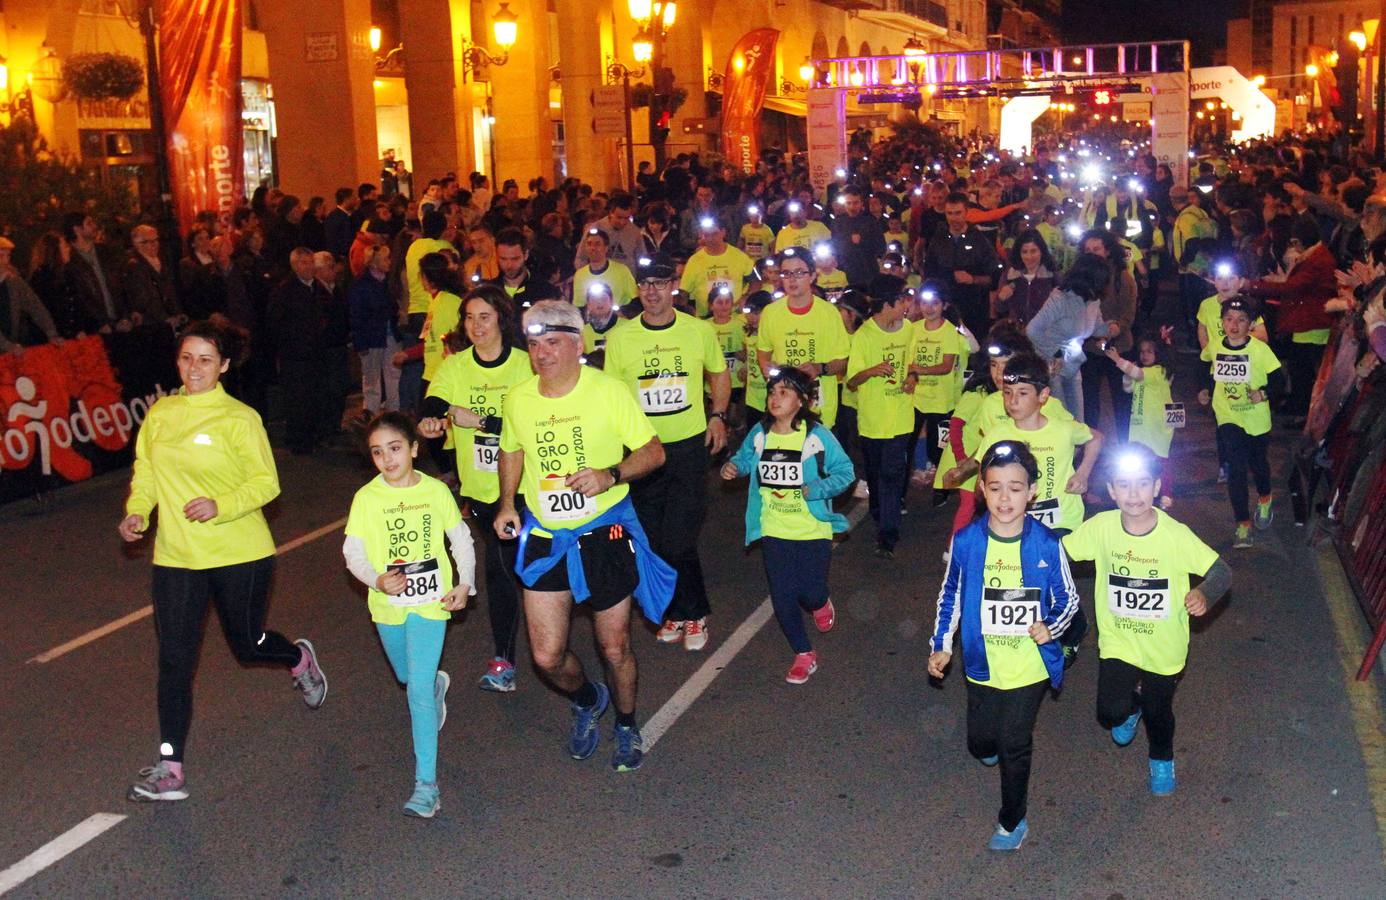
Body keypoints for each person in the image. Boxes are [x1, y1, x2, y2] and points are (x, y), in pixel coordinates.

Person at [119, 320, 327, 802]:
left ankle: (297, 657)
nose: (194, 368)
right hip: (176, 558)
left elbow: (265, 483)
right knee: (174, 661)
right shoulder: (161, 414)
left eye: (206, 360)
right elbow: (146, 472)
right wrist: (136, 512)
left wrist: (222, 503)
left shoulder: (239, 418)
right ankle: (171, 766)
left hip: (240, 554)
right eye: (187, 358)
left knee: (248, 644)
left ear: (225, 366)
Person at [493, 300, 673, 772]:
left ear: (577, 344)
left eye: (552, 343)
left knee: (614, 647)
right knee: (546, 656)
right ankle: (589, 698)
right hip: (548, 533)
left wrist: (611, 474)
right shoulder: (519, 397)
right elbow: (511, 449)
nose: (542, 354)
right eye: (533, 345)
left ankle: (628, 724)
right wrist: (508, 502)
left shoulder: (608, 391)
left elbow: (653, 452)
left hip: (604, 531)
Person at [928, 440, 1079, 851]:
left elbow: (1068, 600)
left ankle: (1012, 822)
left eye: (1015, 487)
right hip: (981, 663)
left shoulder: (1047, 544)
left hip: (1029, 666)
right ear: (981, 489)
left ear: (1032, 491)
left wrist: (1051, 626)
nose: (1005, 498)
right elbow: (950, 596)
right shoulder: (967, 541)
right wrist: (942, 645)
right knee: (981, 741)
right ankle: (988, 744)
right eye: (995, 488)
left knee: (1015, 741)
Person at [1063, 444, 1231, 796]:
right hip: (1119, 641)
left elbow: (1221, 571)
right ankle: (1129, 709)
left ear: (1157, 487)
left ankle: (1162, 758)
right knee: (1109, 713)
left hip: (1164, 644)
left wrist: (1204, 594)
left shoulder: (1175, 535)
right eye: (1123, 485)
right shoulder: (1101, 527)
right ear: (1111, 491)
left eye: (1142, 484)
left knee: (1159, 710)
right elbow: (1060, 553)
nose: (1133, 494)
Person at [343, 412, 475, 817]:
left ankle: (426, 786)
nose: (387, 459)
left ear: (415, 449)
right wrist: (377, 580)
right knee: (408, 677)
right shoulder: (367, 498)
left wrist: (464, 583)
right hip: (387, 608)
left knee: (414, 693)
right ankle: (435, 683)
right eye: (378, 452)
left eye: (395, 448)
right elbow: (353, 553)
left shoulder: (436, 492)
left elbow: (461, 539)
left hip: (431, 603)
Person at [606, 253, 730, 649]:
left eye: (660, 284)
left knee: (679, 537)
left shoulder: (698, 331)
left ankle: (694, 613)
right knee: (655, 539)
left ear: (673, 287)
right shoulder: (621, 337)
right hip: (643, 452)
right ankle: (676, 612)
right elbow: (610, 397)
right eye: (645, 285)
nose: (652, 292)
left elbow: (719, 373)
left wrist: (719, 415)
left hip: (689, 448)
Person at [420, 286, 534, 691]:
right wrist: (437, 419)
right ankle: (515, 651)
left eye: (484, 316)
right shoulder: (456, 367)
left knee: (509, 570)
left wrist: (482, 422)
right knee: (508, 571)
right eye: (469, 318)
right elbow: (432, 403)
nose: (476, 326)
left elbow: (530, 426)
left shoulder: (525, 366)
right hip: (482, 493)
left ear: (501, 319)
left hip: (526, 488)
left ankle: (517, 654)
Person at [720, 367, 856, 683]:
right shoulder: (759, 433)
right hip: (773, 527)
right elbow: (743, 459)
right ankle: (803, 652)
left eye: (784, 391)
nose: (775, 398)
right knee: (782, 594)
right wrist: (733, 467)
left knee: (809, 592)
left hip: (811, 529)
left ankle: (821, 602)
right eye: (772, 391)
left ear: (801, 400)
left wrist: (817, 489)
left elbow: (845, 472)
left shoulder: (816, 435)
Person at [1197, 295, 1284, 548]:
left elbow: (1280, 382)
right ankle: (1243, 524)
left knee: (1258, 464)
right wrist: (1204, 388)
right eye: (1229, 319)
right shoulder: (1215, 346)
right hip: (1228, 415)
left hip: (1255, 417)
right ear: (1222, 322)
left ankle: (1265, 497)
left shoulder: (1260, 350)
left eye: (1241, 320)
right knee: (1235, 467)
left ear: (1251, 324)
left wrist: (1263, 393)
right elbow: (1203, 366)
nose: (1234, 325)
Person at [845, 275, 916, 558]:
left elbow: (910, 362)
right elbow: (851, 381)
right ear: (887, 304)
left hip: (901, 416)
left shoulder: (908, 329)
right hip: (873, 421)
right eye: (901, 300)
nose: (906, 306)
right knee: (876, 475)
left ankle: (888, 533)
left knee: (891, 474)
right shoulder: (865, 335)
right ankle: (880, 513)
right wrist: (872, 370)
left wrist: (911, 376)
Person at [755, 247, 851, 428]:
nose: (792, 279)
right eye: (786, 273)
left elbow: (843, 360)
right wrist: (766, 367)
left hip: (819, 406)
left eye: (799, 273)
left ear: (813, 276)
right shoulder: (770, 312)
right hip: (783, 405)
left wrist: (819, 368)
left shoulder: (829, 313)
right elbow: (763, 351)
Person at [1024, 253, 1106, 422]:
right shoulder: (1060, 298)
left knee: (1077, 421)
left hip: (1073, 365)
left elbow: (1096, 328)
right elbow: (1032, 330)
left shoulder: (1093, 300)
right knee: (1059, 419)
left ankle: (1077, 449)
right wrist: (1056, 353)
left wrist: (1113, 328)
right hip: (1052, 366)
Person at [268, 248, 334, 454]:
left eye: (311, 262)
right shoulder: (284, 291)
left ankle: (315, 435)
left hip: (316, 353)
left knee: (315, 394)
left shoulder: (317, 289)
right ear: (295, 265)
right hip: (295, 355)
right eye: (304, 263)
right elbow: (275, 322)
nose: (309, 267)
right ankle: (298, 439)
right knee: (297, 398)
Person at [907, 287, 971, 492]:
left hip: (940, 400)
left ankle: (941, 480)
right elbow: (908, 360)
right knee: (909, 440)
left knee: (937, 447)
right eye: (925, 303)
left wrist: (920, 369)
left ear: (944, 306)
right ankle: (915, 473)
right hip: (915, 398)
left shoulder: (949, 332)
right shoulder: (913, 329)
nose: (929, 308)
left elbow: (946, 366)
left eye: (935, 303)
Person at [1107, 335, 1177, 509]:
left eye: (1149, 352)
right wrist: (1127, 372)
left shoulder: (1158, 371)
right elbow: (1128, 386)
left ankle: (1166, 493)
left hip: (1156, 428)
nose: (1144, 355)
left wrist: (1118, 360)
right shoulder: (1143, 373)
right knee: (1140, 459)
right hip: (1140, 426)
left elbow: (1136, 373)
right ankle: (1142, 489)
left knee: (1161, 459)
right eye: (1142, 352)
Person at [923, 192, 1000, 340]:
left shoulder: (980, 240)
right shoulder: (938, 239)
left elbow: (994, 277)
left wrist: (973, 279)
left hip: (974, 310)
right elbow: (929, 272)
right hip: (944, 311)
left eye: (958, 213)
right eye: (949, 213)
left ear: (966, 212)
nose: (953, 218)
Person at [349, 244, 402, 416]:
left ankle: (394, 409)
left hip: (389, 334)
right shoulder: (361, 285)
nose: (389, 262)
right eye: (386, 258)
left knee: (393, 373)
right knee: (372, 377)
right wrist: (360, 342)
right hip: (372, 337)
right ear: (374, 262)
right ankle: (370, 411)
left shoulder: (387, 282)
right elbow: (356, 315)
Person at [679, 217, 755, 317]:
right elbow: (684, 291)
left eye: (714, 234)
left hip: (734, 317)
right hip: (705, 318)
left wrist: (746, 297)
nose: (711, 239)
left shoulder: (739, 256)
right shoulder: (694, 260)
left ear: (723, 232)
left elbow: (756, 281)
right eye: (707, 235)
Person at [0, 236, 63, 355]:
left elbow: (35, 306)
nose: (5, 261)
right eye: (1, 256)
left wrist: (51, 333)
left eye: (8, 256)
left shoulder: (13, 281)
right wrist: (6, 345)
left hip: (9, 347)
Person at [489, 227, 560, 313]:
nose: (509, 265)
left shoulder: (544, 291)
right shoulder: (489, 291)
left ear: (526, 255)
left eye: (515, 259)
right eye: (503, 259)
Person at [996, 230, 1057, 327]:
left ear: (1041, 251)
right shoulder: (1010, 275)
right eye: (1025, 252)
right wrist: (1002, 297)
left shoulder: (1053, 277)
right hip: (1018, 333)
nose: (1029, 257)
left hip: (1045, 334)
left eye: (1033, 251)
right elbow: (1000, 308)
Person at [572, 227, 637, 310]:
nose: (593, 248)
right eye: (589, 244)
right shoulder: (580, 274)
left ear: (606, 248)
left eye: (597, 244)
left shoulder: (622, 271)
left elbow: (635, 299)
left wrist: (622, 313)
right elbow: (579, 305)